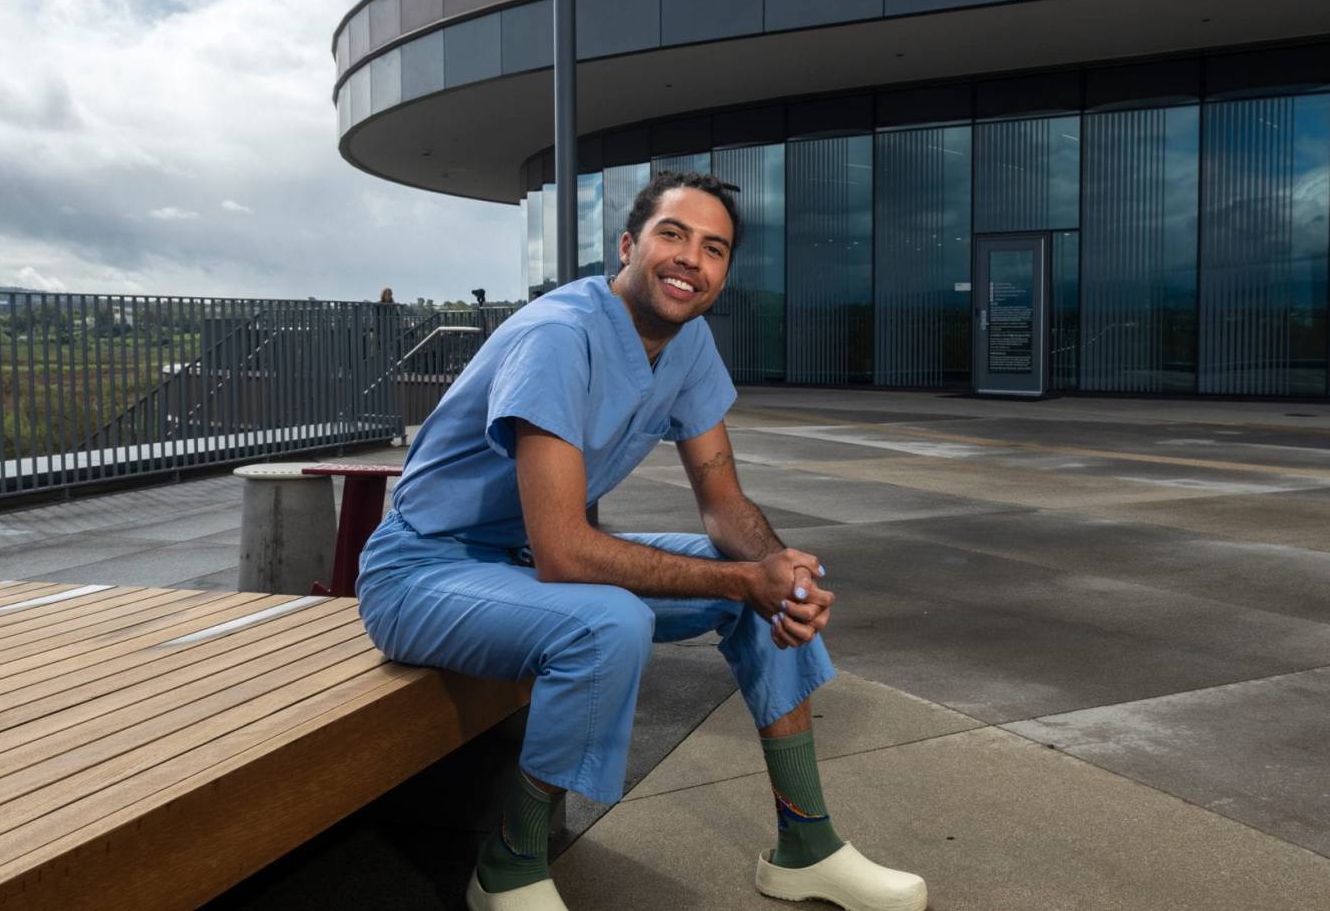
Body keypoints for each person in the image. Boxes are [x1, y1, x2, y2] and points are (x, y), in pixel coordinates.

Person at [356, 172, 926, 911]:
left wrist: (780, 572)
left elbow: (723, 503)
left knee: (760, 580)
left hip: (521, 566)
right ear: (628, 246)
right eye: (673, 235)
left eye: (714, 248)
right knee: (609, 622)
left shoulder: (688, 344)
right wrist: (742, 580)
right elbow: (565, 552)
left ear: (724, 273)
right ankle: (509, 867)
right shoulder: (559, 337)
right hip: (425, 571)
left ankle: (806, 845)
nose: (692, 258)